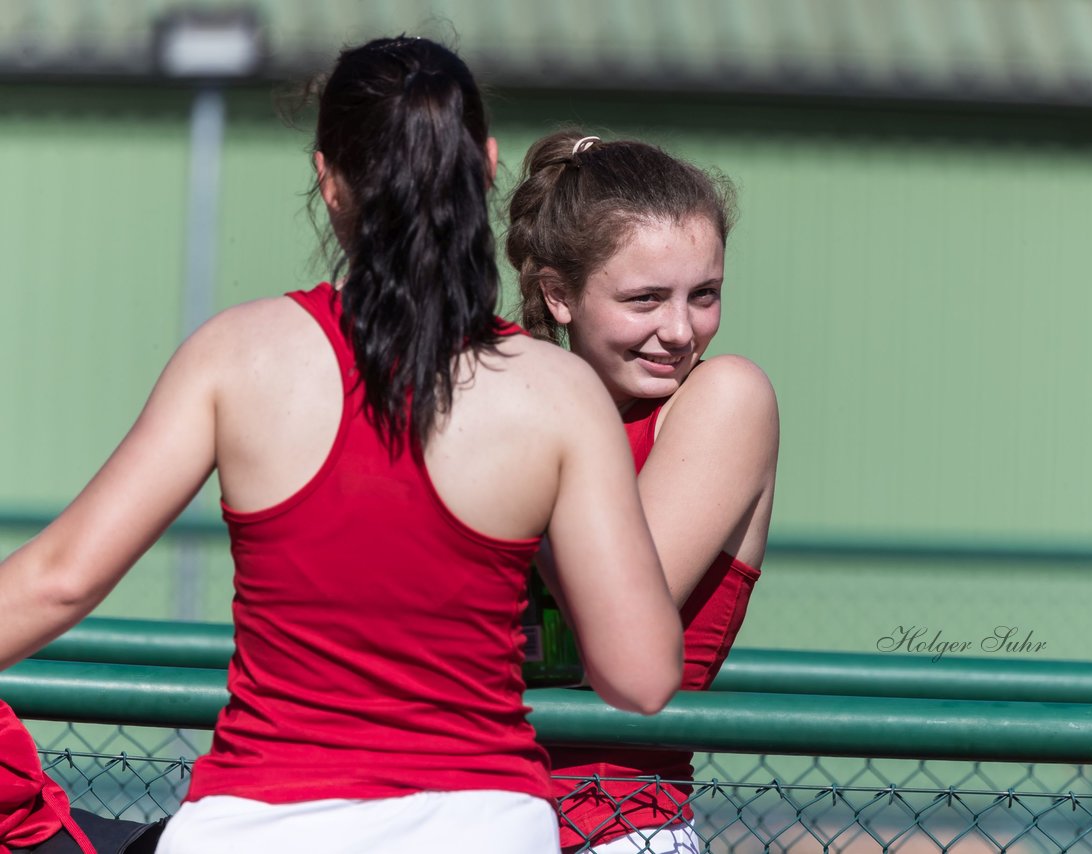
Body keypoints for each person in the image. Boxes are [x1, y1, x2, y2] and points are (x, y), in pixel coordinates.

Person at [0, 38, 683, 854]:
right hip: (482, 825)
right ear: (487, 165)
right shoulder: (557, 392)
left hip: (255, 827)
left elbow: (57, 583)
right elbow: (641, 676)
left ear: (328, 180)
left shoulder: (238, 354)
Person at [507, 132, 780, 853]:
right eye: (646, 299)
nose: (680, 331)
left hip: (618, 827)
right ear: (558, 295)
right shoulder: (519, 397)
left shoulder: (724, 398)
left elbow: (614, 622)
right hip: (464, 807)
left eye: (705, 295)